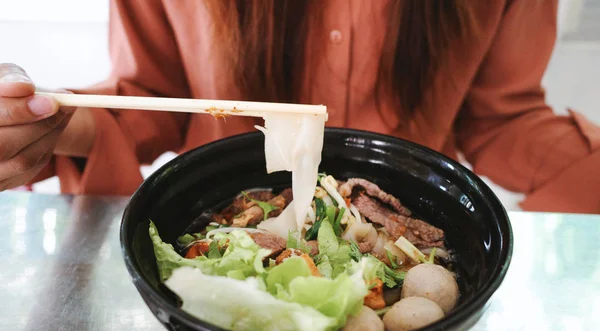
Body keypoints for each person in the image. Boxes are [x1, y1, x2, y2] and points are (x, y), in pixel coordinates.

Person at [0, 0, 598, 212]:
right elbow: (152, 102)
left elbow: (502, 118)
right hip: (222, 230)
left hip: (414, 233)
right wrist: (41, 126)